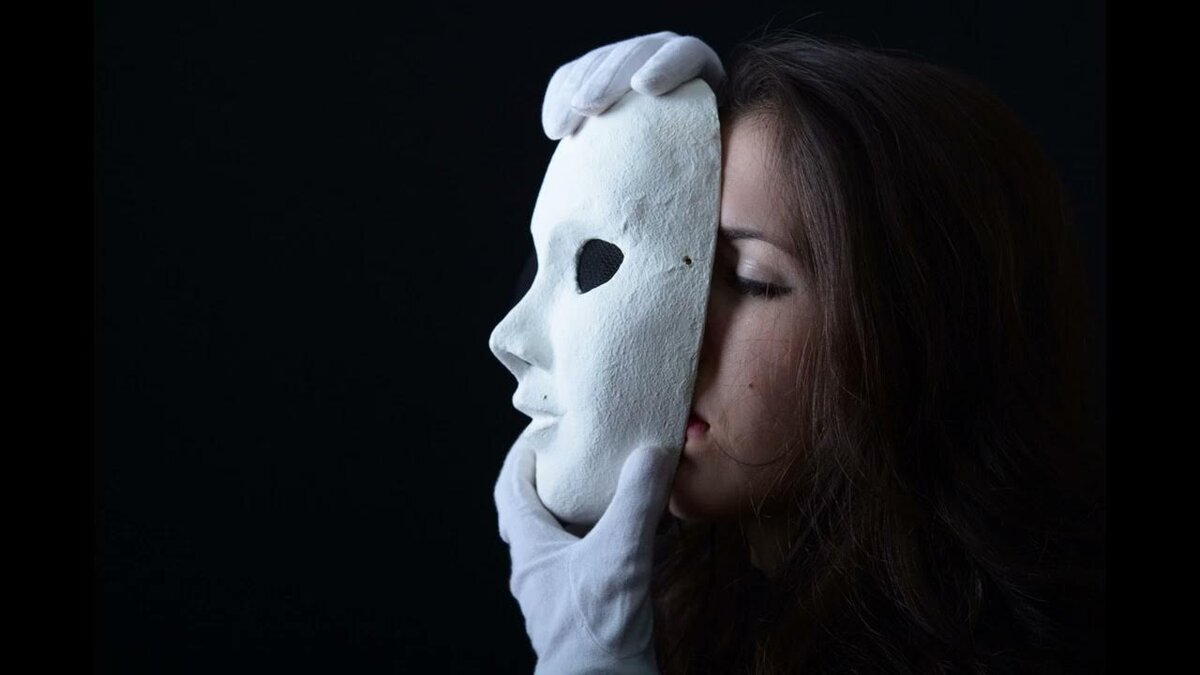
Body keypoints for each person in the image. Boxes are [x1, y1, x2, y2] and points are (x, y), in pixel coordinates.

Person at [494, 30, 1105, 674]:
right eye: (670, 263)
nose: (669, 331)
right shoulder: (690, 612)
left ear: (916, 328)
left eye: (748, 278)